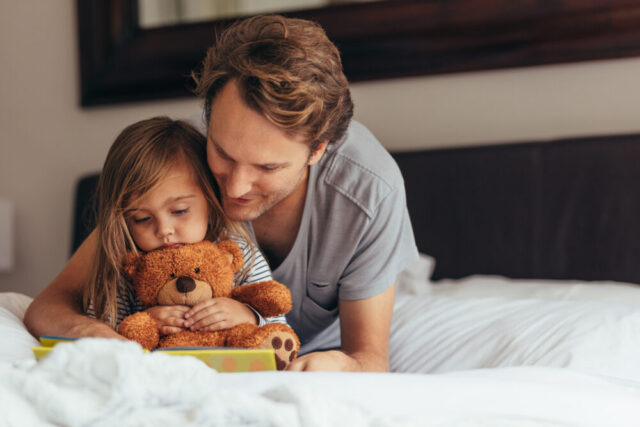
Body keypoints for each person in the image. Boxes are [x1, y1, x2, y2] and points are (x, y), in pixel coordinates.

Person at [25, 15, 418, 371]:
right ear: (209, 120)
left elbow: (368, 359)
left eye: (267, 167)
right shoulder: (182, 160)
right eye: (224, 154)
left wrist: (340, 366)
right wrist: (92, 332)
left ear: (317, 150)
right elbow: (50, 303)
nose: (235, 187)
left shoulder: (369, 194)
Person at [34, 117, 288, 340]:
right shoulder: (126, 268)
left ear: (210, 199)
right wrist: (146, 323)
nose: (164, 230)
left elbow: (278, 329)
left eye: (179, 211)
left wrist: (248, 316)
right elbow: (106, 334)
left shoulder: (238, 254)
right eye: (142, 219)